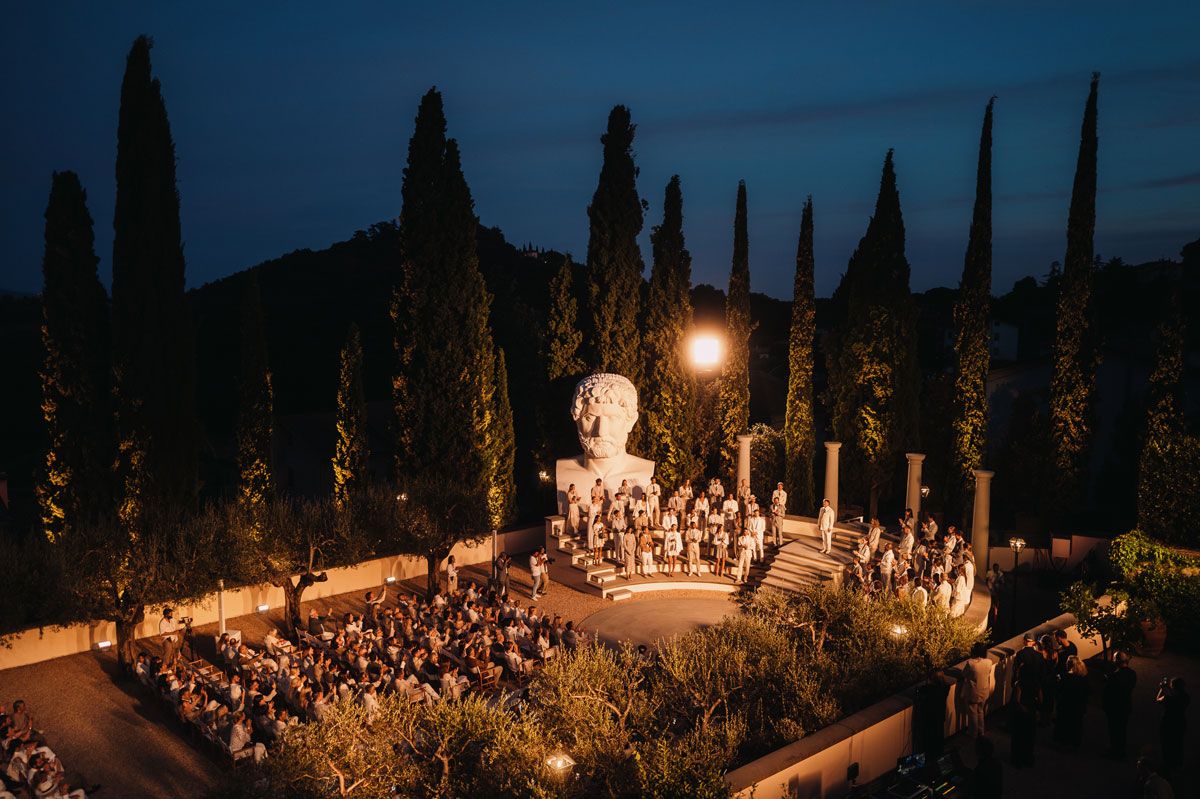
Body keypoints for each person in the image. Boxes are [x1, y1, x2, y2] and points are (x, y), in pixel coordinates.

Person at [1103, 651, 1137, 759]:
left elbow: (1108, 693)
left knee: (1114, 730)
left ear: (1117, 661)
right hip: (1126, 705)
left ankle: (1115, 751)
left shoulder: (1114, 676)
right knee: (1122, 729)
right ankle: (1121, 750)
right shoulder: (1132, 673)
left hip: (1114, 707)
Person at [1054, 655, 1090, 748]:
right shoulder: (1083, 678)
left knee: (1065, 724)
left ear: (1069, 665)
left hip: (1065, 705)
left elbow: (1058, 690)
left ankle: (1064, 742)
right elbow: (1088, 692)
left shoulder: (1064, 677)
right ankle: (1075, 743)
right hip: (1078, 706)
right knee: (1076, 725)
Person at [961, 642, 995, 739]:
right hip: (984, 691)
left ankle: (974, 733)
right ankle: (981, 730)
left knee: (973, 713)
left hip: (973, 692)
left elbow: (964, 674)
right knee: (980, 711)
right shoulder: (989, 662)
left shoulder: (971, 664)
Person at [1156, 676, 1189, 777]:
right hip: (1180, 722)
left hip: (1168, 722)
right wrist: (1169, 689)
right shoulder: (1185, 697)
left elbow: (1158, 699)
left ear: (1173, 687)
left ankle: (1167, 764)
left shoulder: (1168, 698)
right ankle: (1178, 764)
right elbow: (1176, 695)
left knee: (1166, 743)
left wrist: (1162, 688)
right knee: (1178, 743)